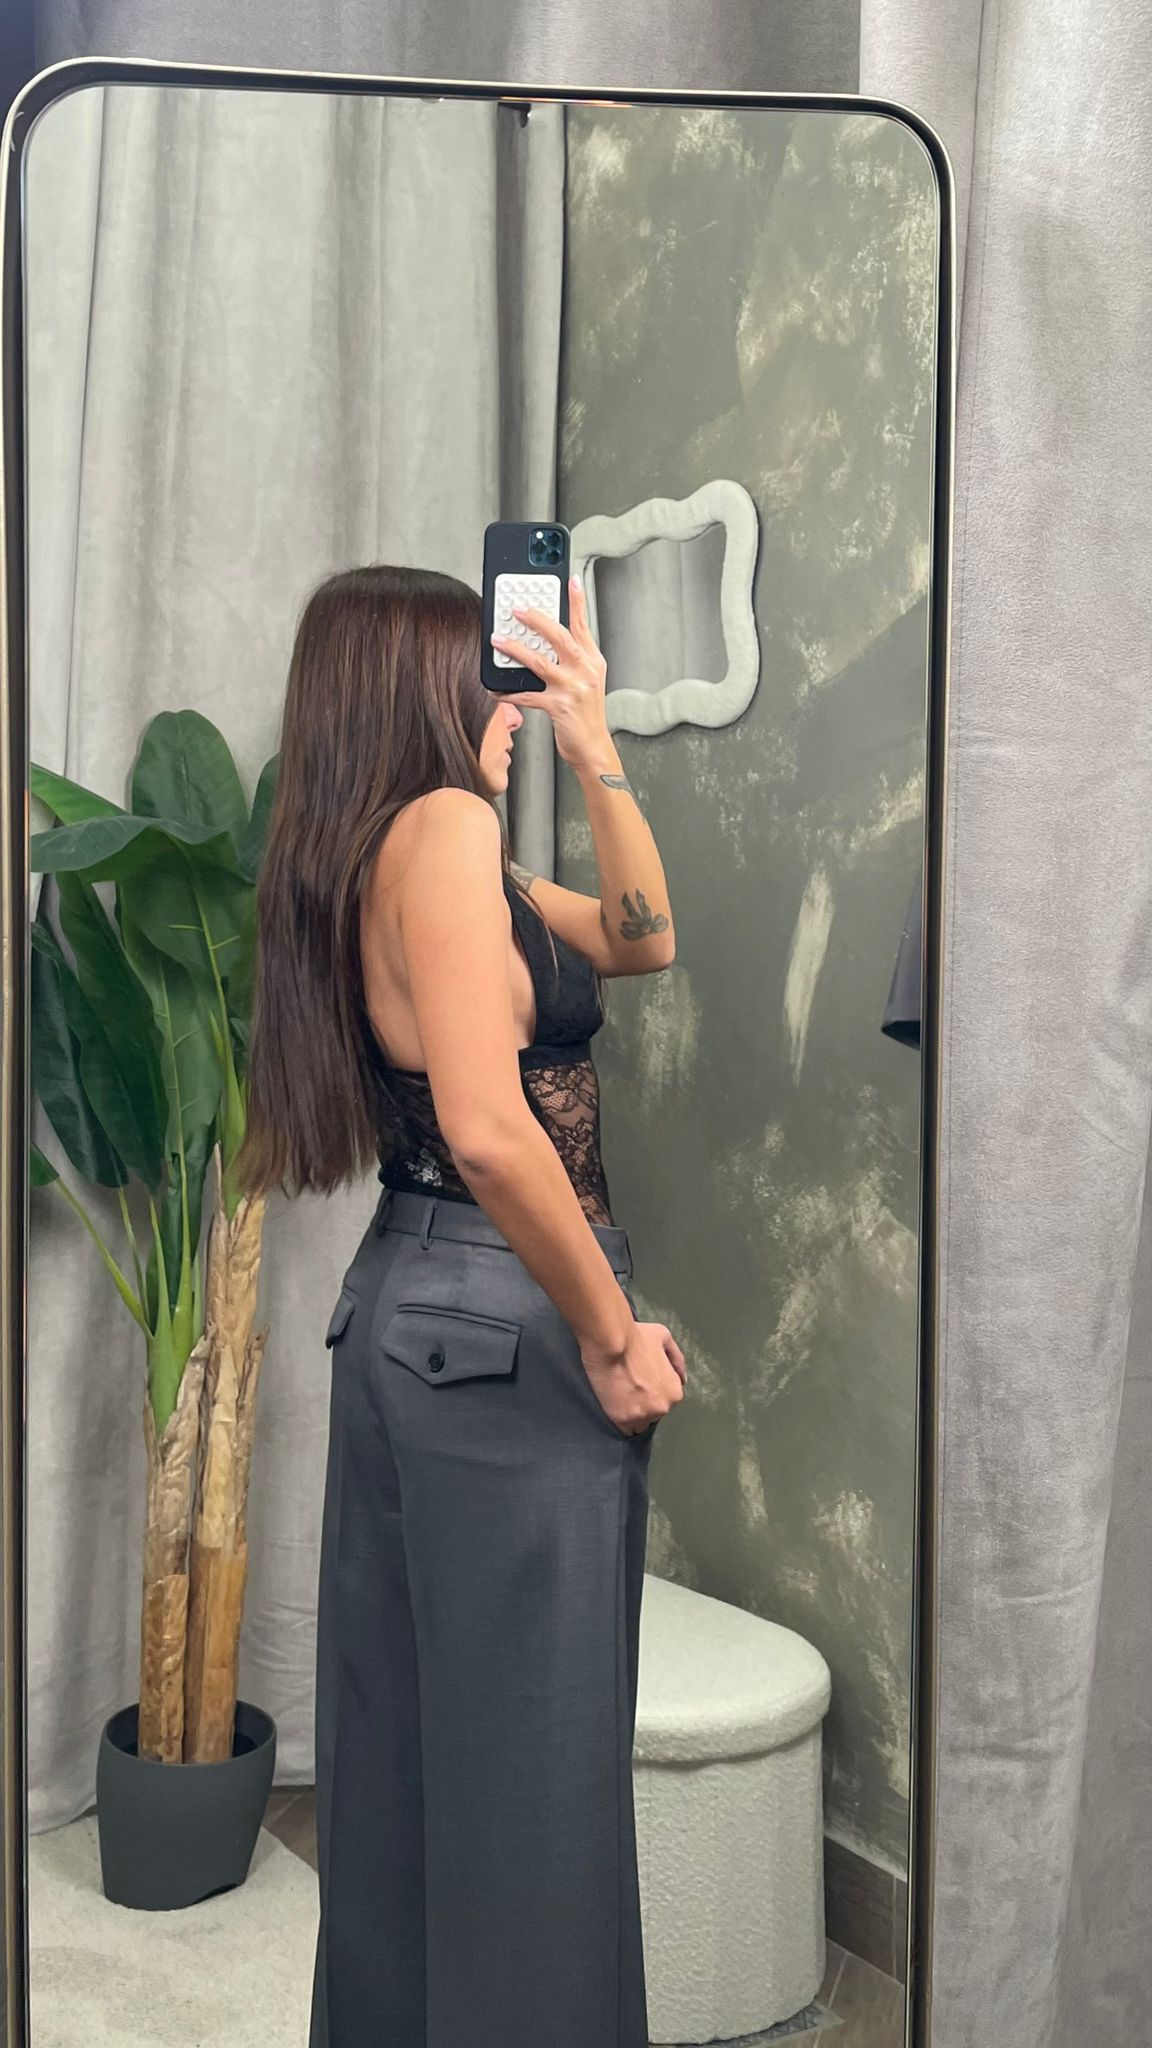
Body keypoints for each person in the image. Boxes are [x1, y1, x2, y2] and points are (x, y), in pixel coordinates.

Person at [239, 562, 685, 2048]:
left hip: (411, 1309)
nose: (506, 705)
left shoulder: (399, 857)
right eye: (485, 680)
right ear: (416, 690)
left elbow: (641, 934)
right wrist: (611, 1334)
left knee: (405, 1768)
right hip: (501, 1316)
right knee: (537, 1784)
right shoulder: (442, 830)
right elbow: (493, 1131)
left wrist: (592, 738)